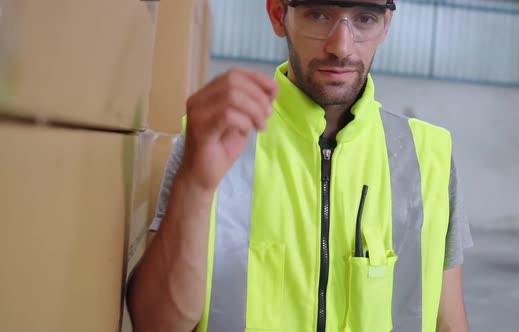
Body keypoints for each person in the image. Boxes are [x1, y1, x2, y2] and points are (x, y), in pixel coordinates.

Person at [127, 0, 473, 331]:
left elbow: (448, 320)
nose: (341, 46)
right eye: (318, 15)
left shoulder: (427, 154)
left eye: (364, 19)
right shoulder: (214, 138)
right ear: (279, 15)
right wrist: (195, 186)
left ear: (385, 25)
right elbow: (156, 325)